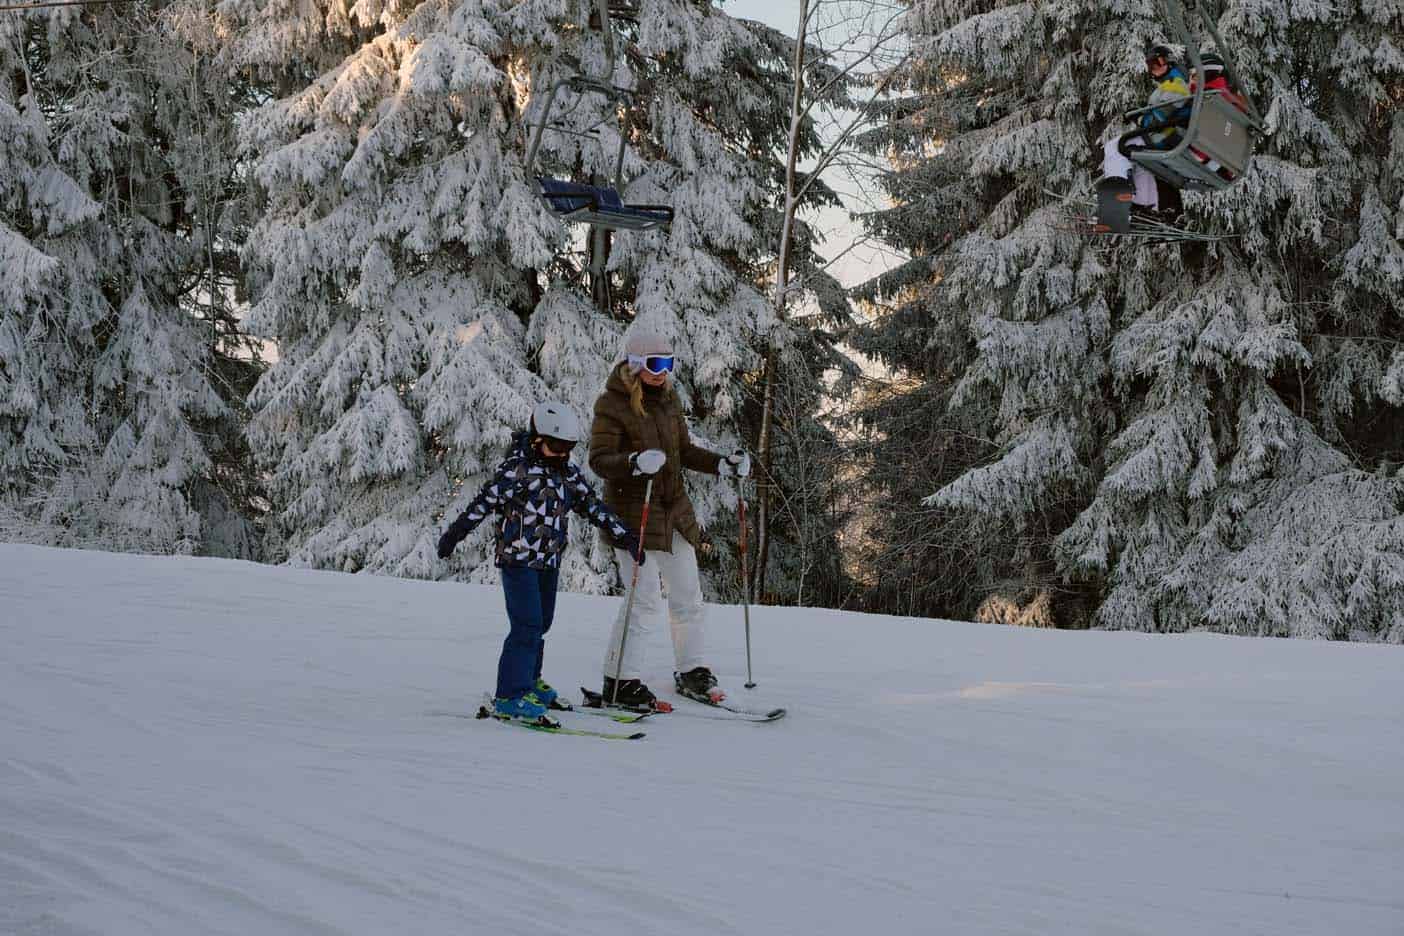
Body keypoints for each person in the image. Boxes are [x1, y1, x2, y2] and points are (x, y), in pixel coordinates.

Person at [436, 401, 643, 722]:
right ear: (536, 439)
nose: (561, 453)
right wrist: (454, 534)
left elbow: (592, 506)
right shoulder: (516, 471)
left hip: (548, 560)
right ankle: (509, 695)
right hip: (517, 561)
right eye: (555, 446)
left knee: (541, 623)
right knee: (526, 625)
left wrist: (626, 536)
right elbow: (482, 503)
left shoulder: (567, 473)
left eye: (567, 448)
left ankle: (529, 682)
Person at [588, 318, 751, 709]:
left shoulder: (668, 400)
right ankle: (620, 680)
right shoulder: (611, 403)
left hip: (674, 511)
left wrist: (721, 464)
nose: (664, 373)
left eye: (669, 364)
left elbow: (683, 452)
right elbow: (599, 459)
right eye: (656, 365)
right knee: (642, 600)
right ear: (636, 363)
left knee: (688, 596)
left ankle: (692, 670)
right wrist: (633, 462)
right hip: (633, 516)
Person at [1099, 44, 1191, 218]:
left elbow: (1160, 116)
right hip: (1163, 136)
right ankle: (1148, 208)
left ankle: (1115, 205)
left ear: (1169, 61)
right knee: (1140, 161)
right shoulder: (1169, 84)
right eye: (1150, 65)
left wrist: (1140, 118)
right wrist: (1140, 113)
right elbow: (1160, 110)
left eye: (1158, 62)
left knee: (1115, 147)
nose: (1154, 69)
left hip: (1164, 136)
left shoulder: (1176, 84)